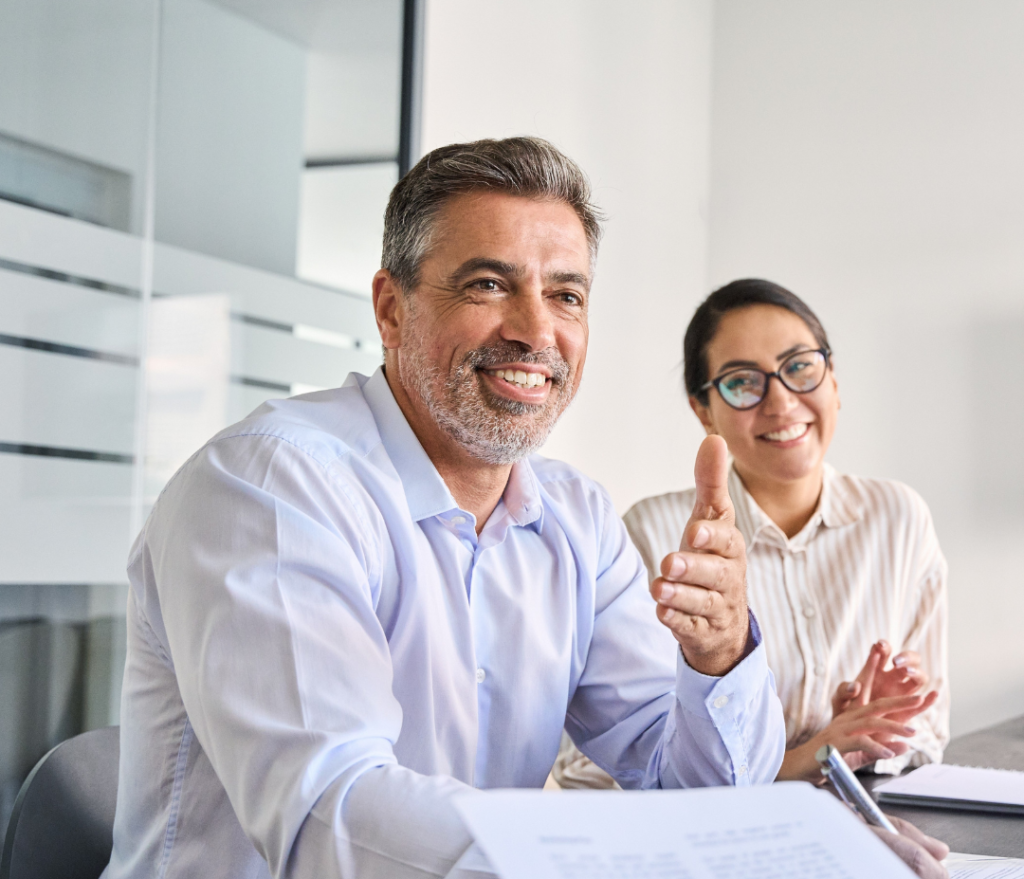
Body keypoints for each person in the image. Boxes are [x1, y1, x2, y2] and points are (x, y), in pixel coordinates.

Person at [101, 139, 788, 879]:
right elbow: (333, 820)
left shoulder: (577, 519)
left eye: (566, 295)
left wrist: (716, 659)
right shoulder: (270, 487)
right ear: (391, 310)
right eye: (490, 285)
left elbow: (704, 794)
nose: (535, 330)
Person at [628, 279, 949, 783]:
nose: (780, 402)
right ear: (703, 410)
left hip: (866, 825)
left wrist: (880, 729)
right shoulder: (653, 536)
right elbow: (605, 770)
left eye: (800, 367)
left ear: (834, 381)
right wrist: (819, 755)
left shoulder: (899, 518)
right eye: (742, 381)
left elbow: (929, 730)